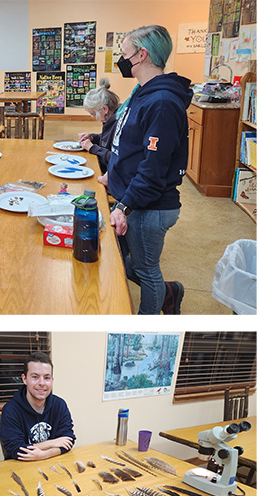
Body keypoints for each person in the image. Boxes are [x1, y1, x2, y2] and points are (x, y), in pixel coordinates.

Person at [107, 25, 190, 315]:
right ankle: (170, 292)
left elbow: (153, 168)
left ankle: (149, 319)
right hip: (132, 198)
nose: (121, 60)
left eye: (124, 53)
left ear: (141, 55)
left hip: (149, 206)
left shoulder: (162, 102)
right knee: (126, 261)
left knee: (146, 269)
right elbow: (129, 147)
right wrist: (111, 175)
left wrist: (124, 206)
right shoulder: (142, 93)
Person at [0, 352, 76, 462]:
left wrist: (44, 455)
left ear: (52, 380)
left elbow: (68, 440)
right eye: (35, 377)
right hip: (20, 466)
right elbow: (16, 450)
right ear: (24, 379)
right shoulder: (10, 410)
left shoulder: (59, 405)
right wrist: (52, 443)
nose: (42, 383)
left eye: (47, 378)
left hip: (53, 462)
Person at [78, 77, 120, 174]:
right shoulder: (109, 119)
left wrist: (93, 148)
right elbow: (107, 139)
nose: (94, 117)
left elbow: (117, 159)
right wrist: (92, 137)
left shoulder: (119, 124)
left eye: (93, 114)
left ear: (105, 109)